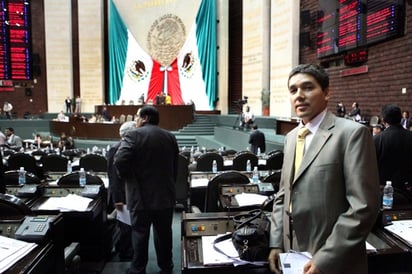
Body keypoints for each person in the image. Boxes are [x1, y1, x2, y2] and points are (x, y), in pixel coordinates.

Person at [268, 64, 380, 274]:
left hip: (334, 261)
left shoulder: (352, 134)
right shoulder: (291, 138)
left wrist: (326, 258)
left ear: (326, 92)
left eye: (307, 87)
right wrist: (276, 242)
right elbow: (283, 195)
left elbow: (363, 207)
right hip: (292, 255)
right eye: (293, 90)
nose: (299, 96)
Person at [114, 105, 179, 274]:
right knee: (164, 235)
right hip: (165, 196)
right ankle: (167, 267)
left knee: (140, 235)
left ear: (145, 118)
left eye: (137, 116)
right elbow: (175, 167)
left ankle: (138, 269)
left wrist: (128, 178)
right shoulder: (170, 137)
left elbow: (119, 161)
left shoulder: (133, 135)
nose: (135, 120)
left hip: (139, 197)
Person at [107, 121, 137, 261]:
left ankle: (124, 249)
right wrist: (117, 198)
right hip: (121, 194)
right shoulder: (117, 148)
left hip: (128, 193)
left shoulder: (127, 147)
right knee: (125, 226)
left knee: (128, 224)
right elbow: (114, 176)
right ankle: (125, 254)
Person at [374, 104, 412, 191]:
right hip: (408, 189)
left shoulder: (377, 139)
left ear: (383, 120)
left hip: (383, 189)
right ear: (401, 118)